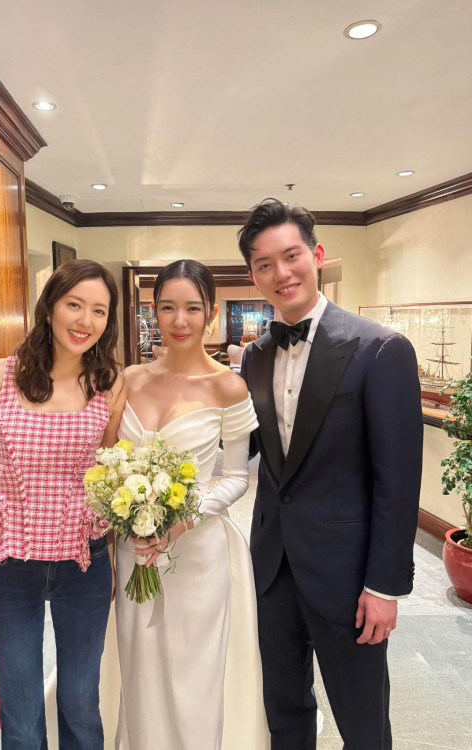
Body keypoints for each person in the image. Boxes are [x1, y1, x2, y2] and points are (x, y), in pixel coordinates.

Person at [238, 200, 423, 750]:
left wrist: (384, 586)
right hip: (272, 569)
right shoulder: (254, 357)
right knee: (284, 713)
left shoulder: (380, 349)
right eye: (265, 264)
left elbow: (398, 482)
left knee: (363, 723)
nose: (281, 273)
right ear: (253, 276)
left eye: (291, 255)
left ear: (316, 255)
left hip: (349, 576)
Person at [0, 259, 125, 750]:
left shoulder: (109, 384)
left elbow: (109, 479)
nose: (85, 320)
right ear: (49, 307)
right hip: (8, 562)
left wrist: (114, 556)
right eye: (74, 304)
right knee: (21, 709)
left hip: (84, 562)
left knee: (79, 700)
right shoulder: (0, 376)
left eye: (98, 310)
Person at [114, 259, 269, 750]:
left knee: (192, 676)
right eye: (167, 308)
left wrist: (181, 521)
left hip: (198, 553)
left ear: (211, 312)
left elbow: (237, 477)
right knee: (137, 664)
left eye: (192, 308)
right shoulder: (129, 379)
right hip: (132, 548)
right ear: (153, 311)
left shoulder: (228, 385)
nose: (179, 321)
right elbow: (101, 456)